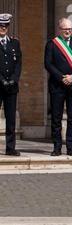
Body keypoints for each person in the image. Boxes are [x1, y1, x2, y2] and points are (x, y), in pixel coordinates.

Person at [44, 18, 72, 157]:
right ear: (60, 29)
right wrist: (62, 77)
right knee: (56, 118)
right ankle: (57, 147)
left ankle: (71, 147)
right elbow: (48, 64)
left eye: (70, 29)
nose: (68, 31)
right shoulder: (52, 44)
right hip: (57, 85)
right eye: (65, 29)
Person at [0, 13, 21, 156]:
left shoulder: (15, 43)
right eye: (1, 26)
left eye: (5, 26)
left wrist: (13, 79)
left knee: (11, 119)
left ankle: (10, 147)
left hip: (11, 87)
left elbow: (18, 63)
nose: (3, 28)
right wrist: (1, 79)